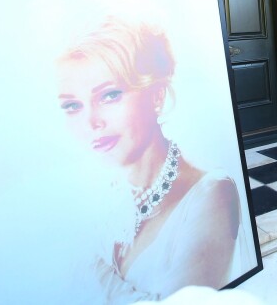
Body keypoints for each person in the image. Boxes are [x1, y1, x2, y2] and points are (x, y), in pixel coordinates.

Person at [56, 17, 245, 303]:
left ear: (157, 96)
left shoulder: (211, 194)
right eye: (72, 105)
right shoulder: (96, 199)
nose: (90, 121)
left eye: (109, 95)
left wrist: (89, 267)